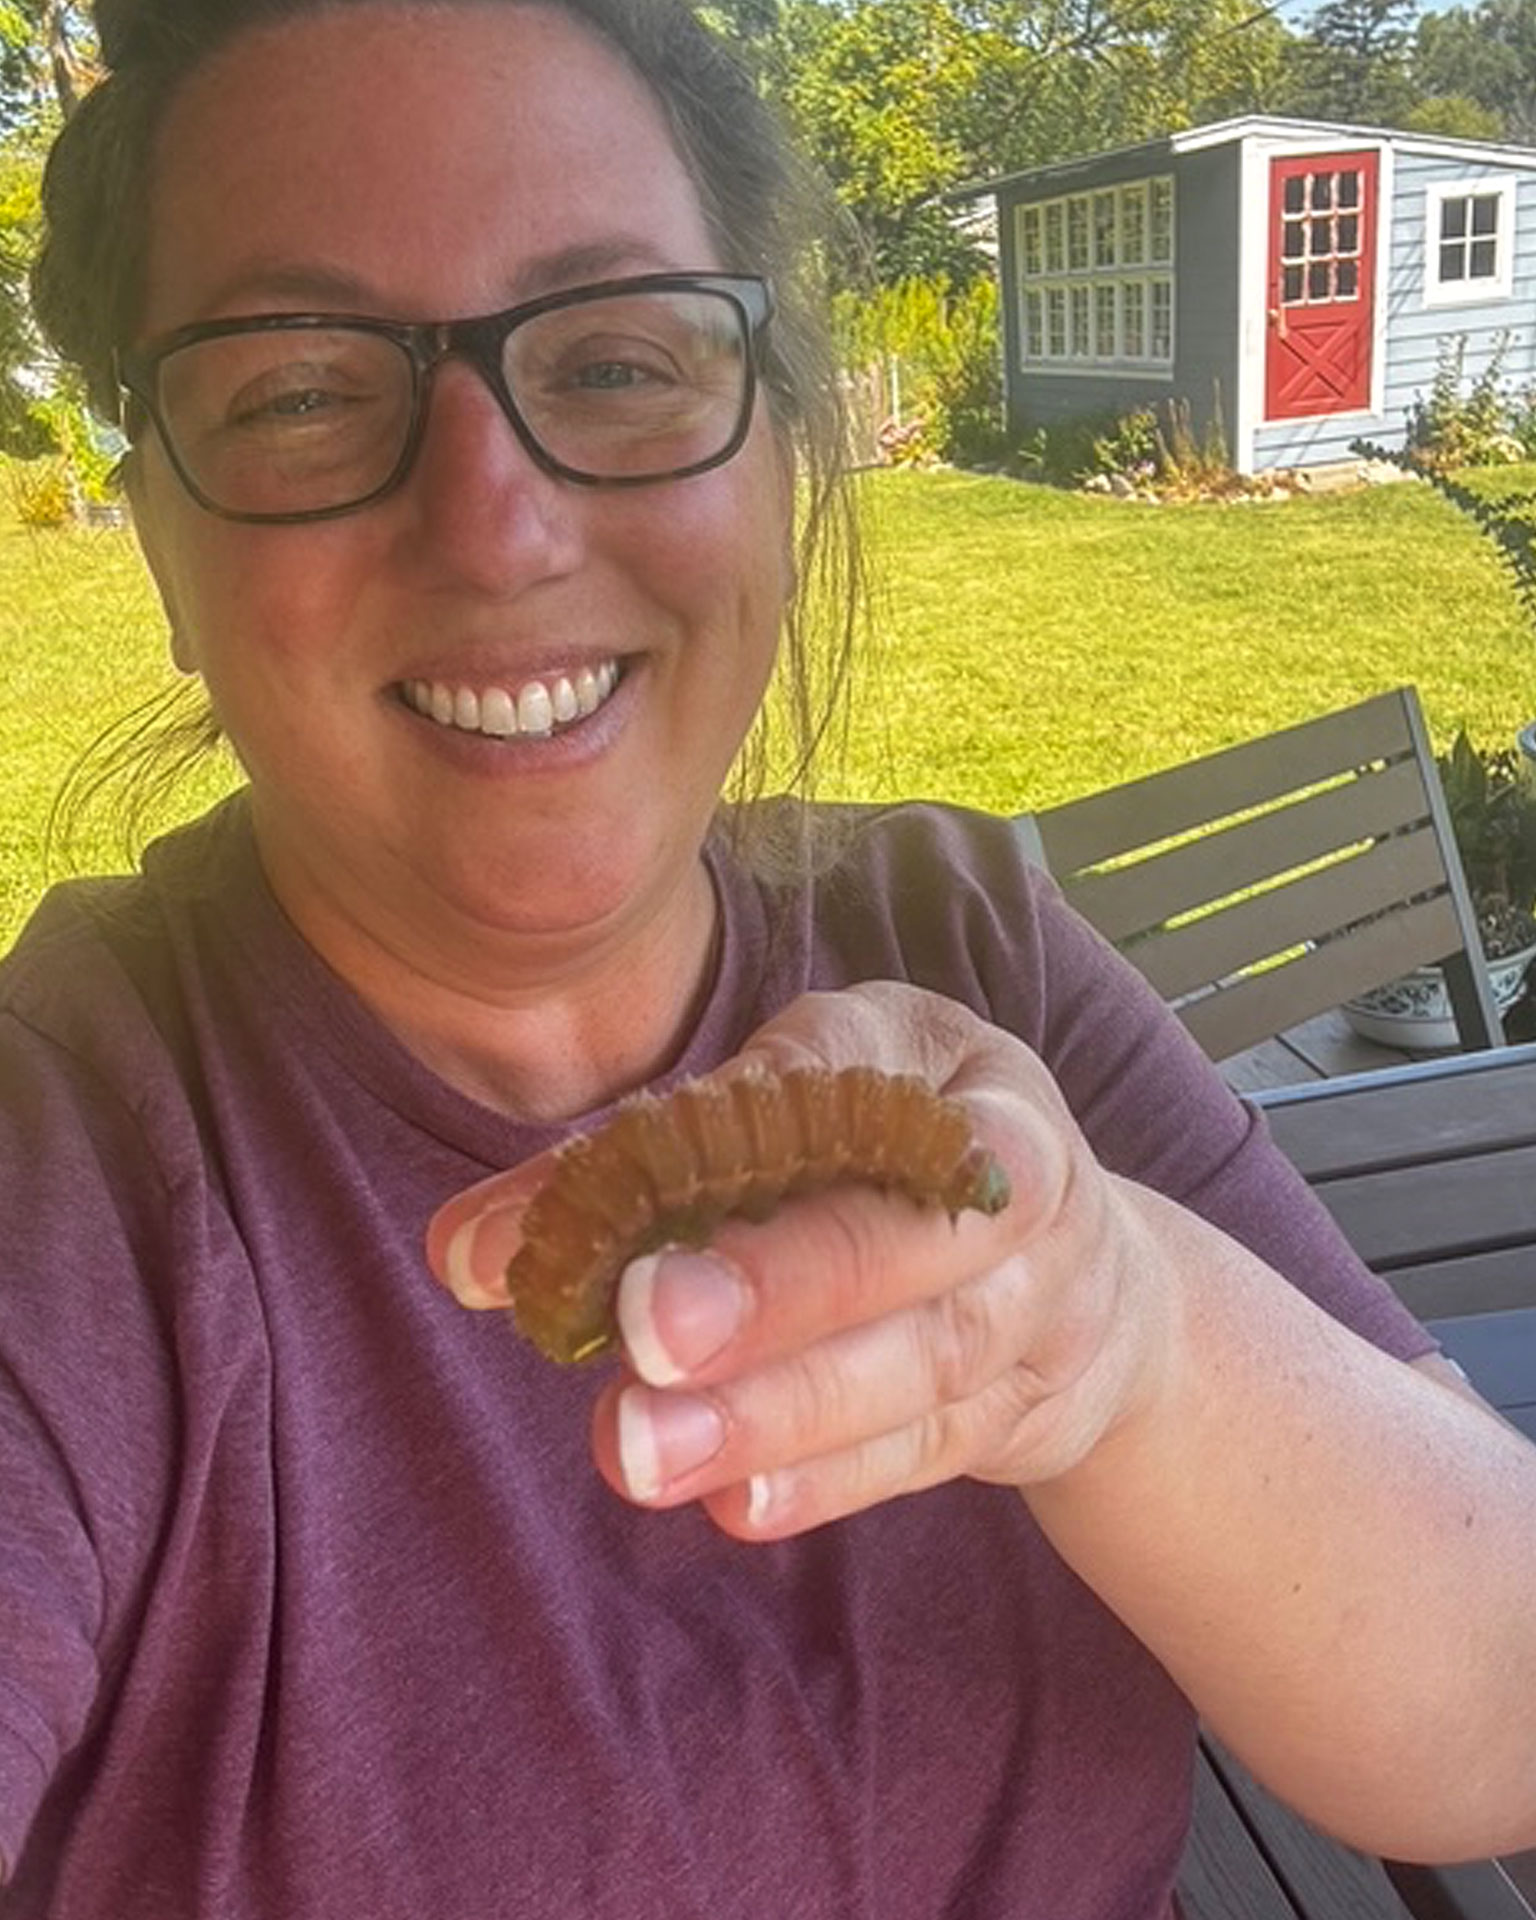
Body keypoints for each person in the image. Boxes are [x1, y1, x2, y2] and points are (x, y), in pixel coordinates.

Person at [4, 2, 1535, 1914]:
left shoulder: (973, 953)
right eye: (300, 391)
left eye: (616, 358)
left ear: (782, 462)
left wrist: (1118, 1335)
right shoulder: (66, 1158)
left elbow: (1500, 1702)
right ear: (160, 542)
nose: (495, 527)